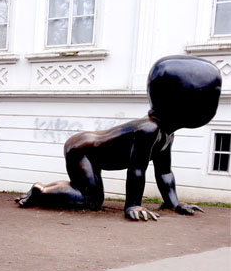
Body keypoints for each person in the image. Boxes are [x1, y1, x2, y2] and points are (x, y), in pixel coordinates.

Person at [16, 55, 222, 221]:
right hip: (83, 149)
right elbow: (136, 170)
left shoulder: (165, 133)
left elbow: (164, 172)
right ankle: (41, 192)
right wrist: (133, 204)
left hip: (88, 146)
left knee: (87, 194)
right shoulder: (149, 129)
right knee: (90, 201)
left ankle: (45, 190)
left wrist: (174, 203)